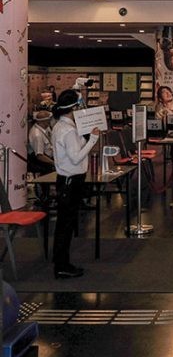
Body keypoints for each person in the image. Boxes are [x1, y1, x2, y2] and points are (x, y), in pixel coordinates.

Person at [51, 89, 101, 279]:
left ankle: (61, 261)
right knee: (66, 224)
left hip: (67, 180)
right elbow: (76, 157)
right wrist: (93, 140)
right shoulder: (68, 130)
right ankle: (62, 265)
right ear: (73, 108)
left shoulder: (61, 126)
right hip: (70, 181)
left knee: (65, 223)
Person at [28, 110, 56, 202]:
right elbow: (39, 156)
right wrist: (54, 163)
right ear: (43, 121)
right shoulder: (37, 135)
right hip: (41, 160)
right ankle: (46, 196)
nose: (50, 121)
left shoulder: (46, 128)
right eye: (48, 119)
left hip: (49, 155)